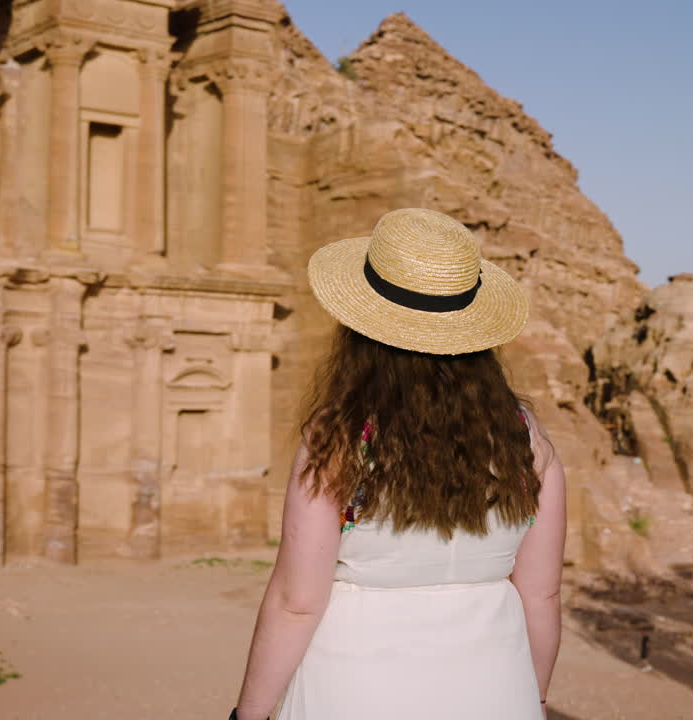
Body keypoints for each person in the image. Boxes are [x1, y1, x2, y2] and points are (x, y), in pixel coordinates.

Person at [230, 208, 567, 720]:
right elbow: (541, 594)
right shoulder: (526, 439)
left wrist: (249, 714)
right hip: (495, 683)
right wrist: (532, 697)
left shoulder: (341, 438)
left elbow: (297, 601)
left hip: (355, 686)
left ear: (361, 329)